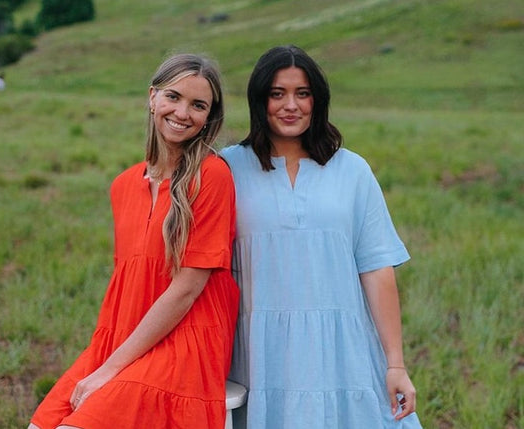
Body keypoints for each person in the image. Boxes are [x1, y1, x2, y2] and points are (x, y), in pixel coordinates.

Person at [28, 53, 239, 429]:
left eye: (198, 105)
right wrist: (105, 361)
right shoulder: (123, 185)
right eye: (173, 97)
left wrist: (109, 371)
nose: (183, 112)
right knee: (43, 423)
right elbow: (130, 284)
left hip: (185, 344)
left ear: (209, 117)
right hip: (124, 337)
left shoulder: (211, 176)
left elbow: (187, 290)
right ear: (152, 97)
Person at [221, 45, 422, 428]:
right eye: (277, 94)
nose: (290, 105)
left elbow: (377, 269)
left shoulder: (353, 171)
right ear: (259, 101)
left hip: (343, 351)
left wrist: (395, 363)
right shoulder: (227, 168)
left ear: (318, 100)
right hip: (261, 354)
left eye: (303, 93)